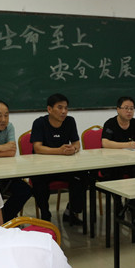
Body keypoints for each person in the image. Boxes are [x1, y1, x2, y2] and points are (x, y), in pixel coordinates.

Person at [30, 93, 85, 225]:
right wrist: (59, 151)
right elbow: (37, 148)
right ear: (49, 109)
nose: (64, 111)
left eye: (66, 108)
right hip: (43, 168)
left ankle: (71, 211)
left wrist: (73, 149)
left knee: (82, 176)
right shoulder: (39, 123)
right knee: (38, 182)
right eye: (60, 108)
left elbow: (76, 143)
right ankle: (45, 214)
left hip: (64, 167)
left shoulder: (70, 121)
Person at [101, 96, 135, 218]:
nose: (129, 111)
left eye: (131, 108)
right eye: (126, 108)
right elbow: (105, 143)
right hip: (113, 163)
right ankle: (119, 206)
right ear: (118, 109)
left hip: (131, 163)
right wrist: (126, 145)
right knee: (114, 176)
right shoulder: (110, 123)